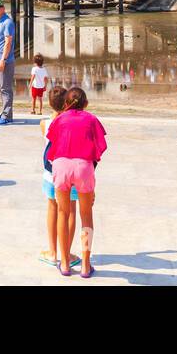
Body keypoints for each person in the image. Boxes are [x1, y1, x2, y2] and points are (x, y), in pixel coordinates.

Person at [46, 86, 107, 279]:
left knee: (63, 213)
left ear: (65, 104)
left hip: (61, 165)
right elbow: (99, 148)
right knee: (86, 215)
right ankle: (85, 265)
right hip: (83, 166)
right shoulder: (91, 119)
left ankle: (64, 263)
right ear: (86, 104)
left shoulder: (59, 119)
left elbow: (52, 145)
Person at [39, 84, 79, 269]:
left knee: (52, 207)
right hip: (70, 171)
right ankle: (66, 253)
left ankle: (53, 252)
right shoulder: (72, 121)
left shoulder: (45, 123)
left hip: (51, 171)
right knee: (70, 210)